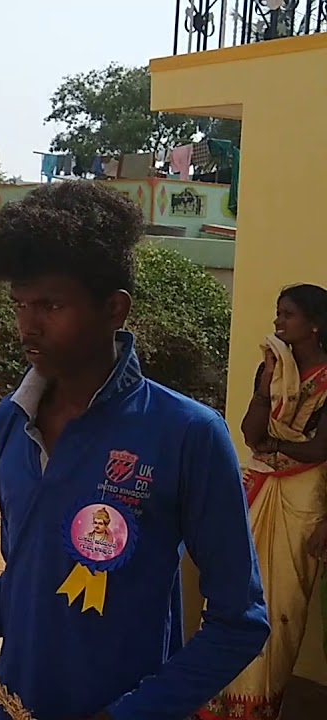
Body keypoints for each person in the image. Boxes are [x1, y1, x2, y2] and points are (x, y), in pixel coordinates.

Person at [0, 181, 270, 720]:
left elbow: (240, 622)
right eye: (21, 304)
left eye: (52, 304)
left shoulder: (186, 433)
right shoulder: (11, 422)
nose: (29, 324)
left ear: (114, 309)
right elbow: (29, 587)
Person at [199, 284, 327, 719]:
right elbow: (251, 435)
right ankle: (217, 700)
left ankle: (258, 706)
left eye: (286, 315)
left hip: (303, 499)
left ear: (313, 325)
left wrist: (276, 447)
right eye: (277, 314)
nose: (277, 323)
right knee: (238, 593)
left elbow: (319, 449)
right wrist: (266, 380)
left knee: (283, 608)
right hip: (259, 490)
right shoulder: (272, 370)